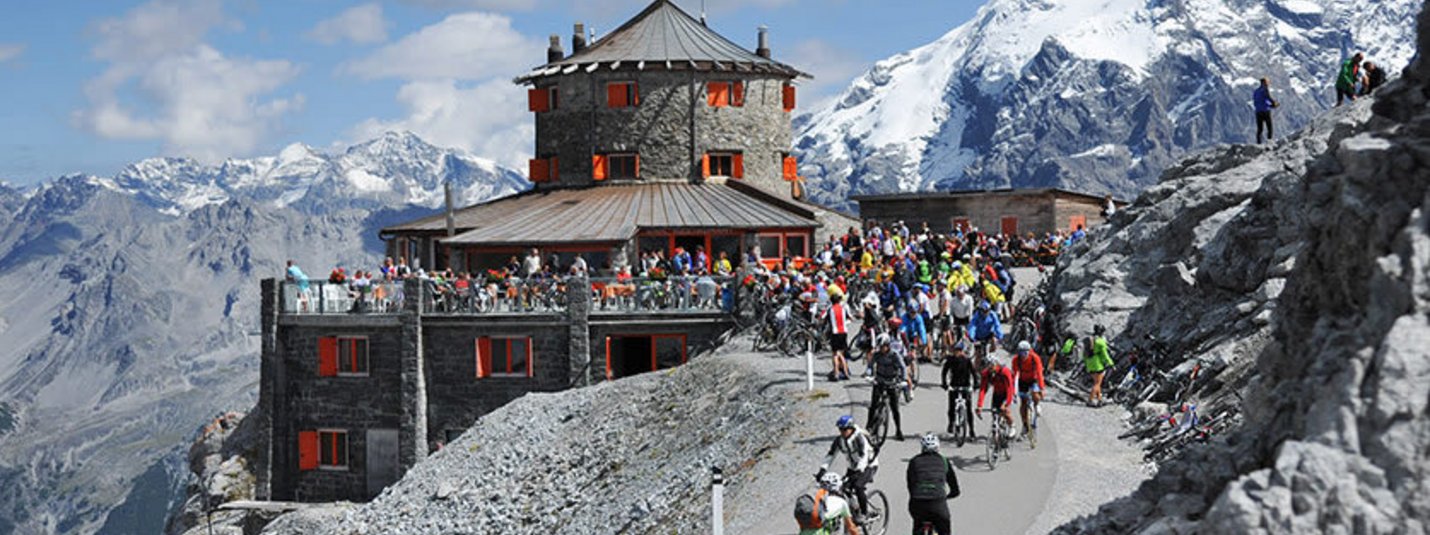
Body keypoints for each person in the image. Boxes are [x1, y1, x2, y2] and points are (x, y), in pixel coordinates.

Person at [820, 415, 879, 525]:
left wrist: (859, 470)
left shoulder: (859, 438)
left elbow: (864, 456)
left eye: (844, 429)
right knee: (843, 488)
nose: (842, 432)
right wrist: (822, 470)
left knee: (858, 486)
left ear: (851, 428)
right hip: (852, 467)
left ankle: (864, 513)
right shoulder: (839, 440)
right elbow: (830, 455)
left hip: (868, 465)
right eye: (840, 429)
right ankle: (855, 510)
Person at [906, 434, 961, 535]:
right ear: (938, 447)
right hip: (937, 502)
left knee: (918, 523)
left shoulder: (914, 461)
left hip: (917, 502)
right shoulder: (944, 461)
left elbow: (910, 484)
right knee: (944, 528)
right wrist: (951, 494)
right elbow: (954, 486)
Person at [869, 334, 907, 441]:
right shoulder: (877, 355)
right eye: (880, 347)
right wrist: (869, 374)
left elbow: (902, 367)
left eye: (883, 347)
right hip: (880, 380)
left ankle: (898, 430)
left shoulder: (895, 355)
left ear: (888, 345)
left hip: (892, 382)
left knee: (895, 408)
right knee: (873, 405)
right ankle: (869, 426)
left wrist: (903, 380)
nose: (881, 349)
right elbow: (870, 365)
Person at [941, 341, 978, 439]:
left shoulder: (967, 360)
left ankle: (971, 430)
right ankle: (951, 423)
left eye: (959, 350)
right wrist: (944, 383)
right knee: (951, 407)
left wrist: (976, 384)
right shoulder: (950, 360)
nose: (957, 353)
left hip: (965, 385)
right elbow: (944, 371)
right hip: (954, 385)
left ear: (962, 351)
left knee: (969, 409)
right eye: (955, 350)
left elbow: (973, 373)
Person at [1010, 341, 1046, 438]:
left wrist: (1042, 388)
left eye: (1025, 352)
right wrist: (1013, 392)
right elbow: (1014, 376)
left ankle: (1037, 404)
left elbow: (1039, 373)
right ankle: (1025, 424)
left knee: (1035, 394)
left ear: (1029, 351)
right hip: (1023, 380)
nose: (1023, 355)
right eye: (1021, 352)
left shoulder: (1035, 358)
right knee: (1023, 403)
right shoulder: (1016, 360)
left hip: (1033, 379)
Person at [977, 355, 1015, 440]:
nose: (990, 369)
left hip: (1007, 392)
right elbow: (983, 390)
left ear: (996, 364)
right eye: (988, 367)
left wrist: (1006, 404)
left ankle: (1012, 425)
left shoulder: (1005, 372)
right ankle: (995, 441)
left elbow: (1010, 389)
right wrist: (979, 405)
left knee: (1005, 411)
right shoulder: (986, 374)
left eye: (991, 366)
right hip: (997, 393)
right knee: (995, 416)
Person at [826, 294, 855, 381]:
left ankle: (836, 373)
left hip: (835, 332)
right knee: (841, 353)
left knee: (835, 354)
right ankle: (846, 372)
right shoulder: (843, 308)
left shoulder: (830, 309)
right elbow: (851, 318)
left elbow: (822, 318)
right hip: (844, 332)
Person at [1086, 325, 1115, 406]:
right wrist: (1111, 364)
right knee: (1097, 384)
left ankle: (1099, 400)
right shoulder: (1100, 342)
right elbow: (1105, 355)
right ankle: (1090, 400)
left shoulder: (1090, 339)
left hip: (1089, 363)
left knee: (1096, 382)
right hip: (1097, 365)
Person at [1253, 77, 1279, 144]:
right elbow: (1268, 98)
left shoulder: (1256, 91)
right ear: (1264, 82)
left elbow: (1257, 101)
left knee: (1260, 129)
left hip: (1258, 112)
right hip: (1265, 111)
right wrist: (1274, 104)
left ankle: (1258, 143)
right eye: (1267, 82)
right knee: (1269, 128)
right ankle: (1269, 142)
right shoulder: (1265, 89)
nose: (1268, 83)